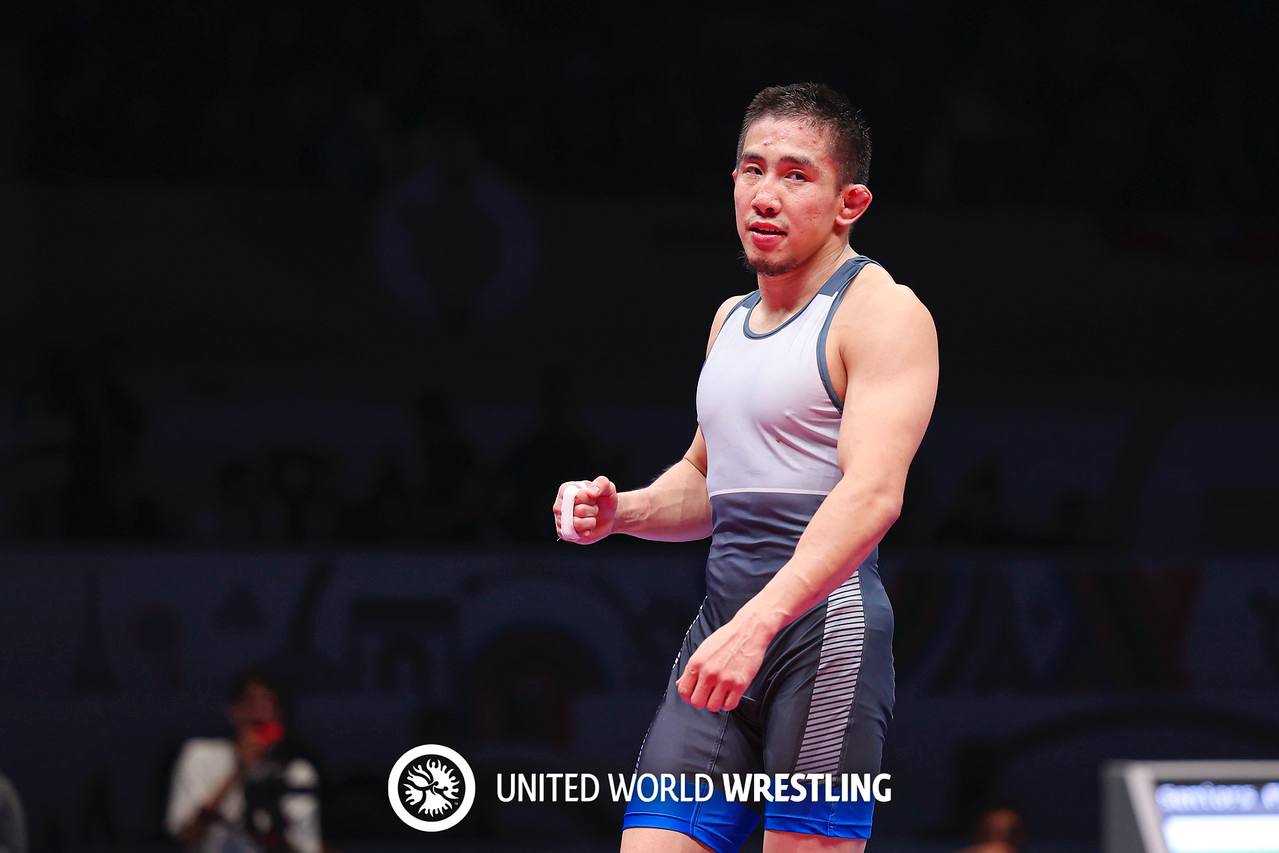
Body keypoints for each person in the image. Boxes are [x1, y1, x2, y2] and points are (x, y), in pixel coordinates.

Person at [553, 83, 938, 852]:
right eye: (752, 169)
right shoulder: (729, 320)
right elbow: (706, 480)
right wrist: (621, 510)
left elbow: (872, 495)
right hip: (723, 634)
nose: (765, 194)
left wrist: (760, 624)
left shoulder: (882, 313)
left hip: (821, 638)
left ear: (849, 202)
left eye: (796, 175)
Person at [166, 668, 321, 852]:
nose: (260, 713)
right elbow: (185, 837)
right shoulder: (200, 756)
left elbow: (305, 847)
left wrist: (270, 823)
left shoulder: (297, 773)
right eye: (251, 704)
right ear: (233, 712)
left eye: (269, 705)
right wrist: (238, 771)